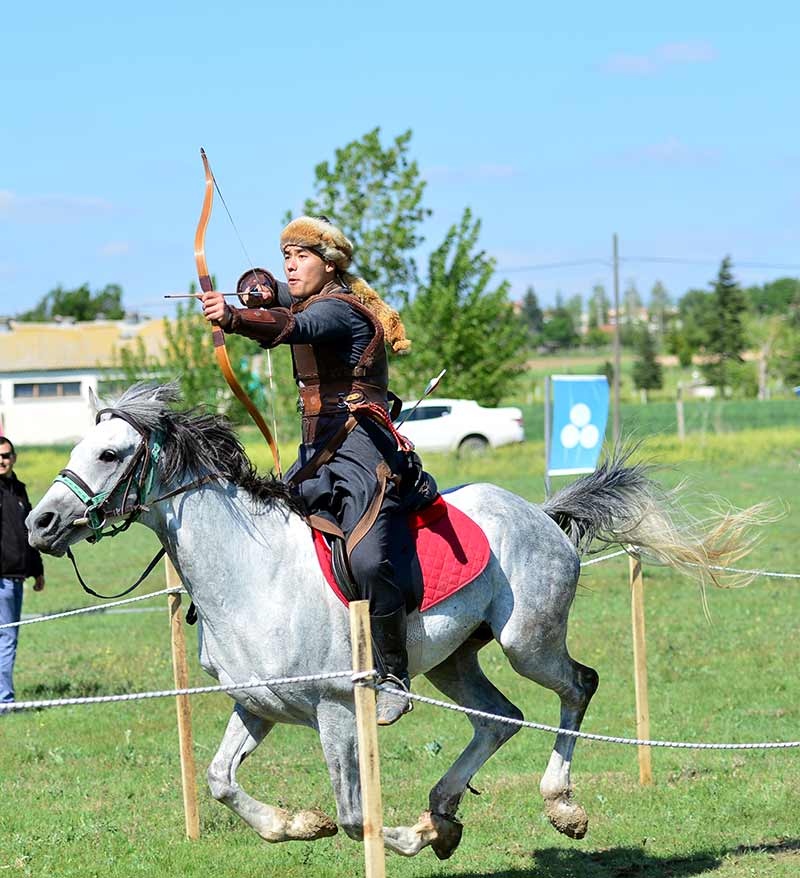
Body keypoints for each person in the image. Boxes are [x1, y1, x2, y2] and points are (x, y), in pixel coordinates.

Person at [202, 216, 437, 725]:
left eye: (301, 256)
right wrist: (255, 292)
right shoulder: (308, 297)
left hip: (362, 449)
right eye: (286, 256)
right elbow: (278, 301)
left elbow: (296, 326)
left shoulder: (341, 311)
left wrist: (236, 318)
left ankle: (393, 673)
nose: (290, 265)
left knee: (370, 559)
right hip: (315, 452)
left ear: (329, 264)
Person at [0, 436, 45, 703]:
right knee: (6, 640)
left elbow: (29, 533)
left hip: (17, 578)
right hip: (1, 579)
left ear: (14, 458)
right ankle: (4, 702)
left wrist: (37, 569)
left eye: (5, 455)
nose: (1, 460)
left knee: (8, 639)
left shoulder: (19, 490)